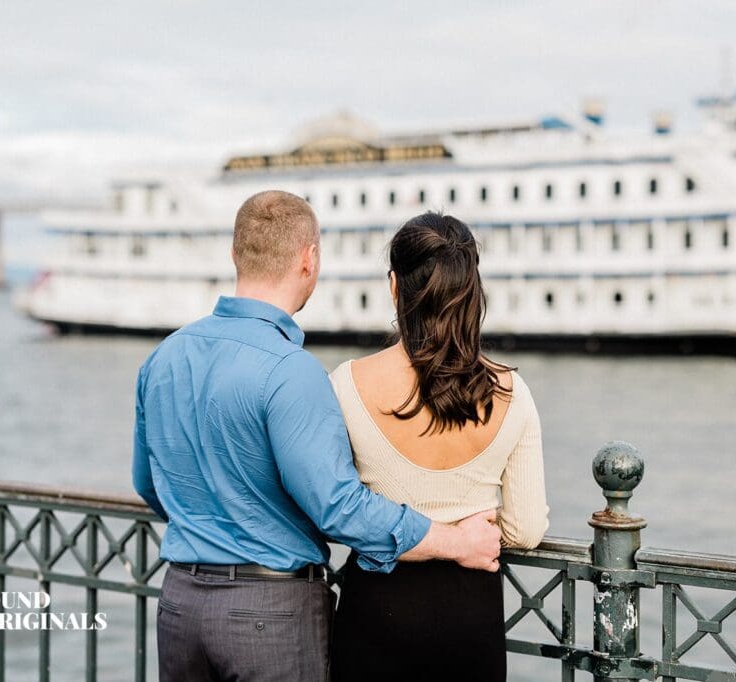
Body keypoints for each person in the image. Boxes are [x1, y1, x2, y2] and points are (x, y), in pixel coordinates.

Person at [132, 191, 503, 682]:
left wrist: (211, 525)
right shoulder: (291, 371)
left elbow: (148, 483)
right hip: (269, 613)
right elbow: (337, 507)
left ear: (235, 255)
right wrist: (455, 542)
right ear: (309, 260)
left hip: (179, 604)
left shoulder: (164, 357)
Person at [328, 211, 551, 682]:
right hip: (469, 620)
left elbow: (332, 512)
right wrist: (464, 535)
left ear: (394, 287)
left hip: (376, 611)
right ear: (472, 289)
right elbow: (527, 529)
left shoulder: (346, 384)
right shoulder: (512, 392)